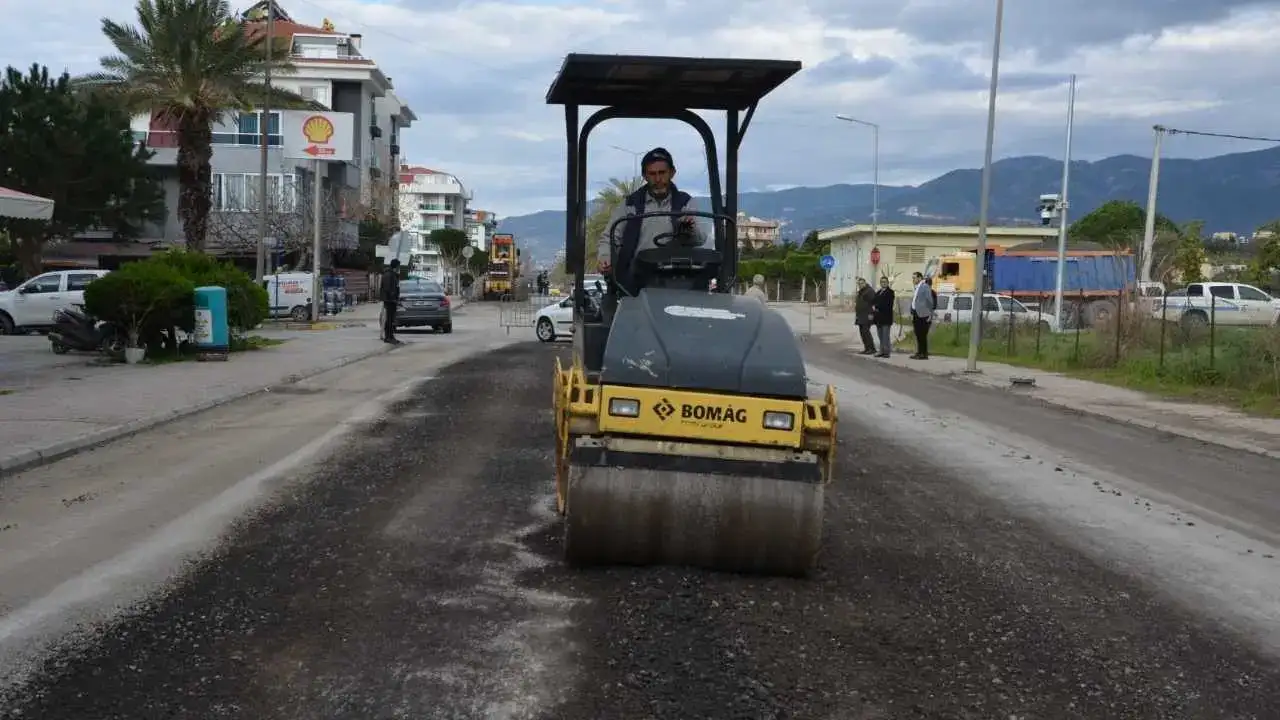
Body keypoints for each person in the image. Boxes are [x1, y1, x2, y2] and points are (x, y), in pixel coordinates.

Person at [597, 147, 709, 319]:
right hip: (637, 281)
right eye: (652, 174)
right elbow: (610, 237)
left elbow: (700, 238)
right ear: (645, 176)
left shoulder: (685, 203)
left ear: (672, 173)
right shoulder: (630, 205)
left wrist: (689, 229)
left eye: (662, 173)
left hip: (677, 278)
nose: (658, 179)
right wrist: (605, 257)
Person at [909, 271, 935, 359]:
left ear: (920, 278)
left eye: (914, 278)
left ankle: (924, 354)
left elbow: (929, 301)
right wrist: (912, 311)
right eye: (912, 278)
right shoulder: (917, 287)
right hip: (916, 313)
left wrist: (930, 314)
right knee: (918, 334)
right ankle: (919, 352)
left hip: (923, 314)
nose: (913, 279)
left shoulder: (925, 286)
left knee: (922, 334)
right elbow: (915, 300)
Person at [872, 276, 895, 358]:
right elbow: (874, 301)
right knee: (880, 335)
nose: (883, 283)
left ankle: (886, 352)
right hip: (878, 318)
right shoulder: (878, 292)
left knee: (885, 336)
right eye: (882, 282)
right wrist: (874, 306)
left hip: (886, 318)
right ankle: (881, 350)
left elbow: (887, 304)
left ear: (887, 283)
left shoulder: (890, 292)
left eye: (885, 282)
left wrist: (877, 307)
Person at [380, 258, 402, 344]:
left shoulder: (393, 274)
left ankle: (391, 336)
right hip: (389, 300)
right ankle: (388, 337)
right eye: (398, 266)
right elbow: (388, 288)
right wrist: (393, 298)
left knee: (391, 319)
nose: (399, 268)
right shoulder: (389, 275)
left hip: (392, 300)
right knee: (389, 319)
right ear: (396, 266)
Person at [854, 277, 877, 355]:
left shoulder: (869, 291)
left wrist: (871, 314)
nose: (860, 285)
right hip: (860, 315)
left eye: (861, 283)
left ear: (865, 283)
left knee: (866, 332)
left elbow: (873, 303)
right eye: (859, 284)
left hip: (867, 315)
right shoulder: (861, 292)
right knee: (862, 333)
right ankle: (867, 348)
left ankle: (872, 348)